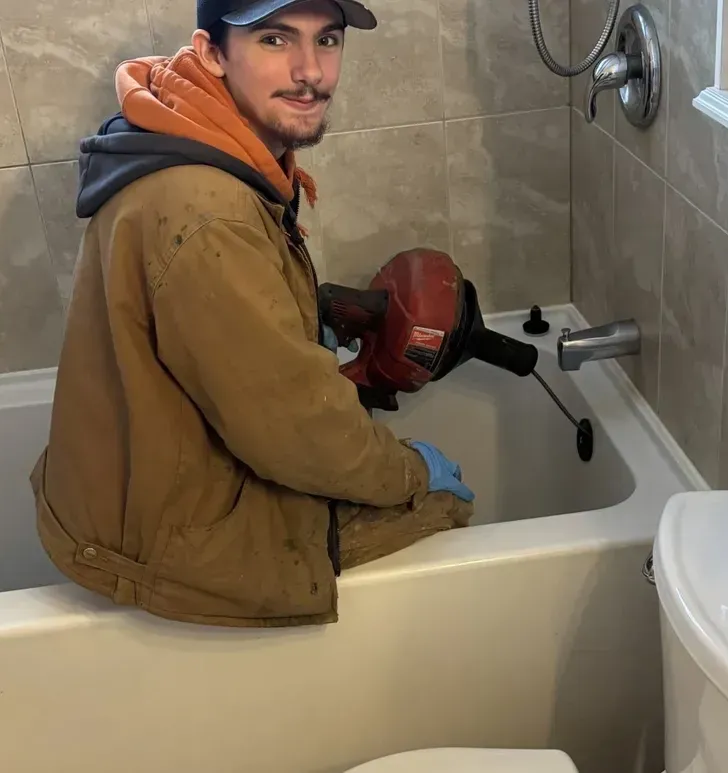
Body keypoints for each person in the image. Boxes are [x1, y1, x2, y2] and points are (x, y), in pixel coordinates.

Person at [30, 0, 475, 628]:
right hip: (163, 542)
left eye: (327, 40)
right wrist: (412, 471)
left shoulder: (186, 134)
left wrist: (300, 311)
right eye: (274, 40)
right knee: (445, 510)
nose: (310, 71)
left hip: (125, 491)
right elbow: (297, 433)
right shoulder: (207, 210)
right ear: (212, 53)